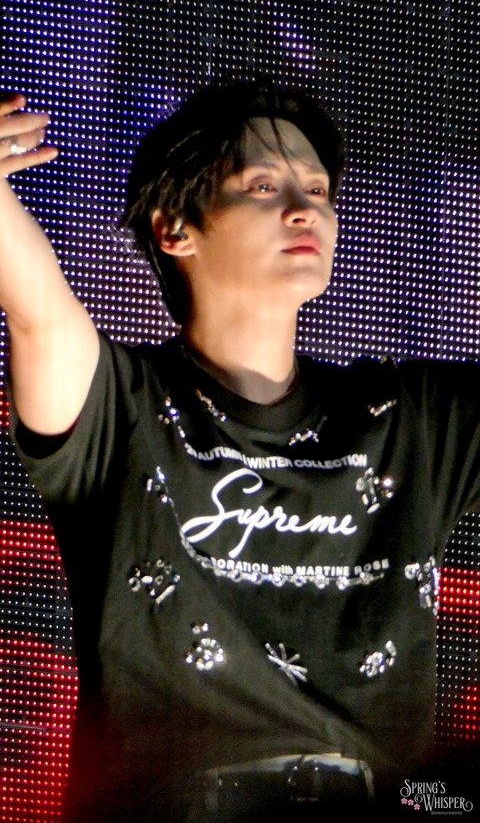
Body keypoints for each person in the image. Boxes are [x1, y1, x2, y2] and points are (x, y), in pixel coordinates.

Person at [0, 79, 478, 821]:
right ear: (174, 229)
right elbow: (38, 312)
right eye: (262, 186)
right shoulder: (121, 406)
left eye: (317, 189)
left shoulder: (410, 419)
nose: (304, 209)